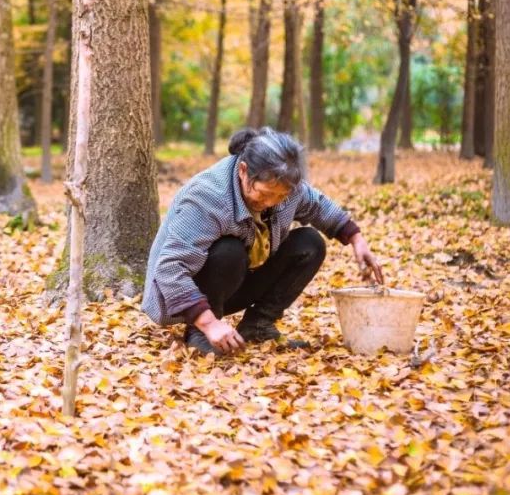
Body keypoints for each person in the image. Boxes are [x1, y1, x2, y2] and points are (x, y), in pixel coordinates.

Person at [141, 127, 383, 355]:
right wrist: (209, 323)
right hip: (182, 297)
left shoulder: (288, 187)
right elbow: (169, 269)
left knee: (310, 243)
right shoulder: (208, 198)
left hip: (240, 278)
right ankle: (199, 333)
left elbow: (317, 205)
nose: (271, 202)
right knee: (229, 250)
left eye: (280, 196)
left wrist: (356, 239)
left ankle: (258, 325)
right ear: (243, 171)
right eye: (265, 193)